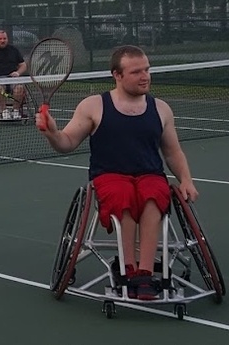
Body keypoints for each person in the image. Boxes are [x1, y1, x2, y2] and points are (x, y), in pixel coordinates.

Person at [36, 45, 198, 301]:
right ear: (117, 75)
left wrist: (186, 180)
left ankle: (144, 272)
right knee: (124, 197)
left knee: (153, 196)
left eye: (147, 70)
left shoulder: (161, 109)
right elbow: (66, 143)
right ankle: (128, 269)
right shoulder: (93, 106)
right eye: (136, 72)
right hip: (109, 175)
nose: (145, 76)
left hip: (150, 174)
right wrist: (53, 134)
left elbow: (173, 152)